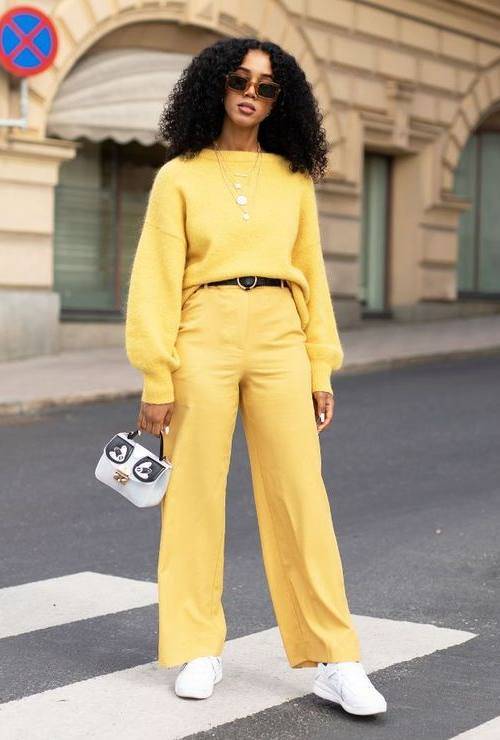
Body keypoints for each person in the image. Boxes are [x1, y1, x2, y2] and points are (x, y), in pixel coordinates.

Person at [125, 37, 387, 716]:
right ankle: (197, 645)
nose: (251, 92)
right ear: (215, 85)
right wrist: (157, 376)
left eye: (267, 87)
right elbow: (154, 281)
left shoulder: (294, 178)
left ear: (281, 101)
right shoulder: (177, 177)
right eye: (240, 80)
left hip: (280, 333)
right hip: (201, 332)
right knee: (193, 498)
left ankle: (335, 658)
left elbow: (315, 276)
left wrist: (320, 363)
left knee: (302, 496)